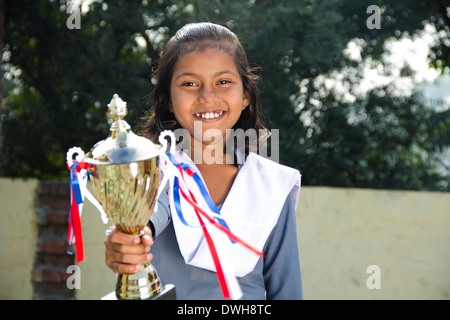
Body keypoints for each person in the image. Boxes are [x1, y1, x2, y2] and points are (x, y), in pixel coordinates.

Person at [104, 22, 303, 300]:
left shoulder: (271, 185)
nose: (208, 96)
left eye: (223, 82)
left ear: (245, 95)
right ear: (169, 100)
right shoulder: (153, 174)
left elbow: (287, 289)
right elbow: (150, 215)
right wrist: (129, 239)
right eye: (189, 83)